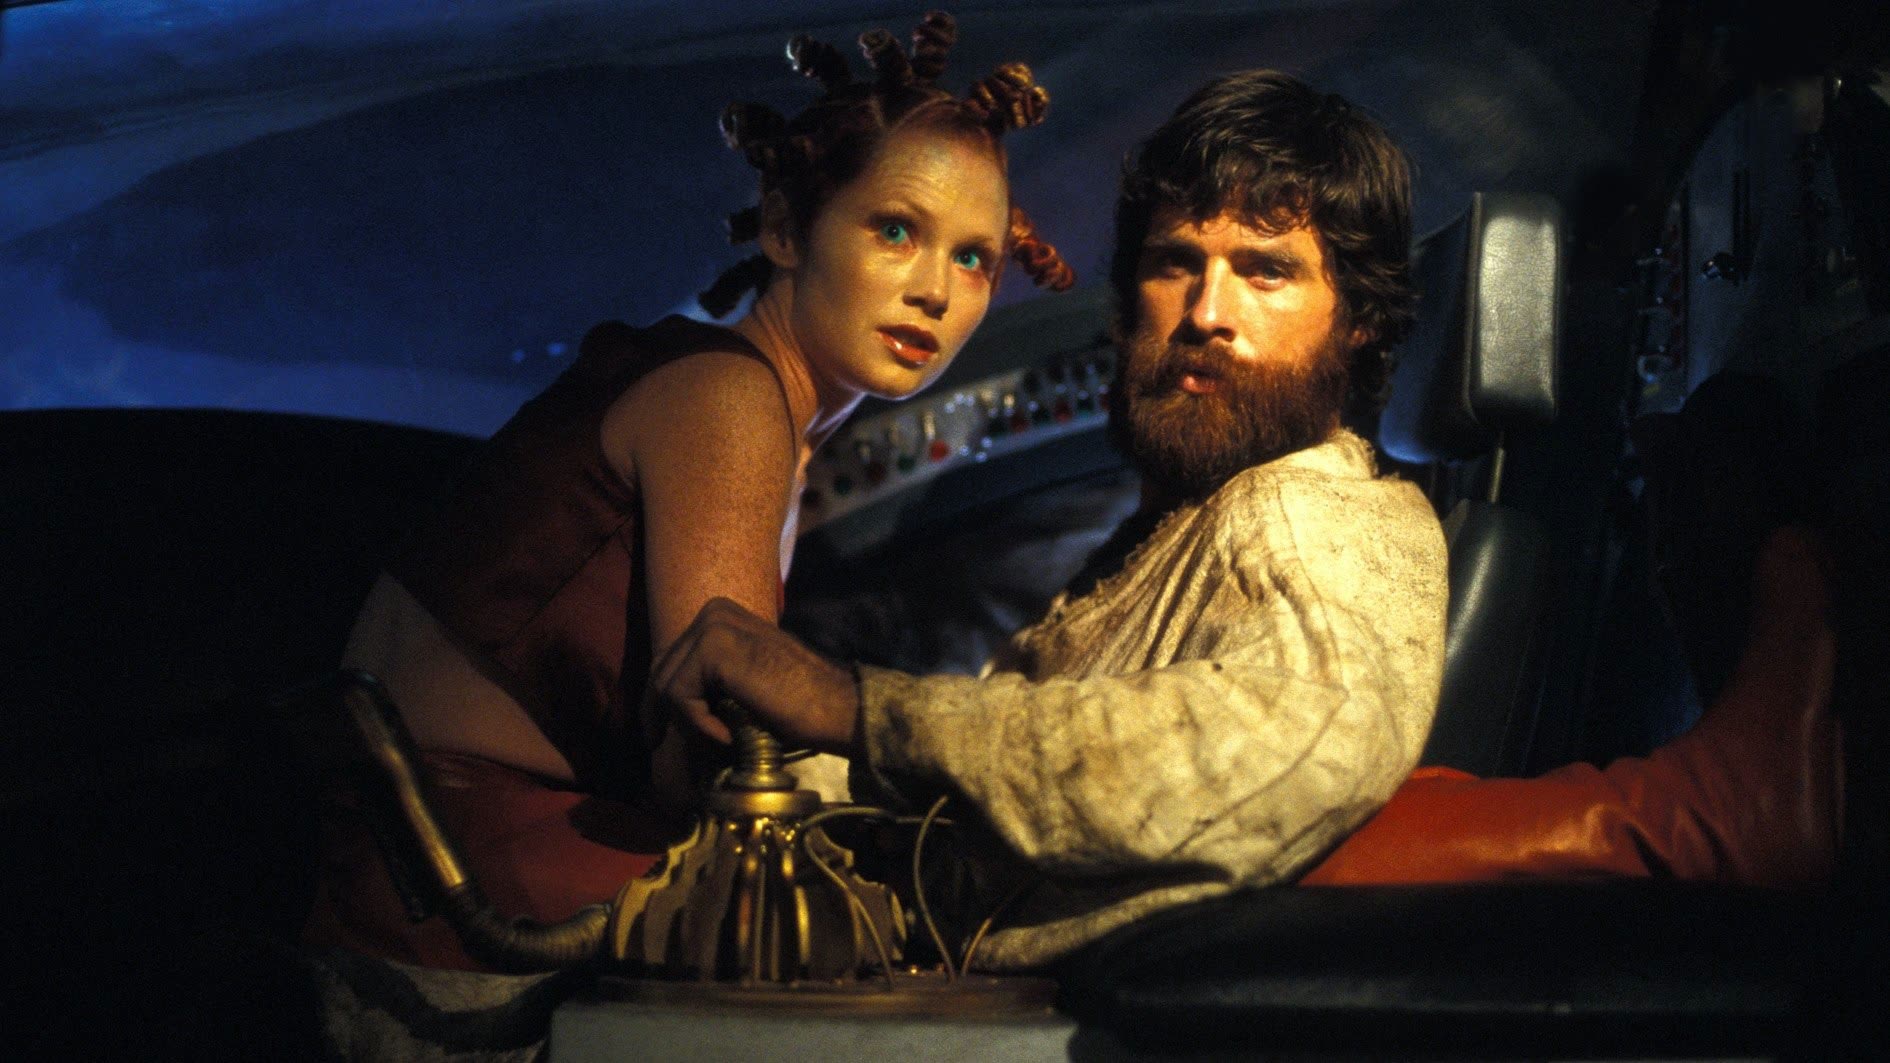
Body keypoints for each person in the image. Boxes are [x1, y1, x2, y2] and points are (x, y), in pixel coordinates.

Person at [651, 69, 1843, 969]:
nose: (1206, 311)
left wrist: (863, 709)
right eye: (1177, 262)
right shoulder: (1174, 529)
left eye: (1267, 270)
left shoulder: (1314, 511)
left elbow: (1276, 743)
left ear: (1358, 323)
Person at [304, 12, 1074, 970]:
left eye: (972, 258)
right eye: (894, 230)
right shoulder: (729, 398)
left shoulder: (757, 410)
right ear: (787, 228)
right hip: (465, 874)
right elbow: (717, 754)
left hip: (450, 854)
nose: (936, 291)